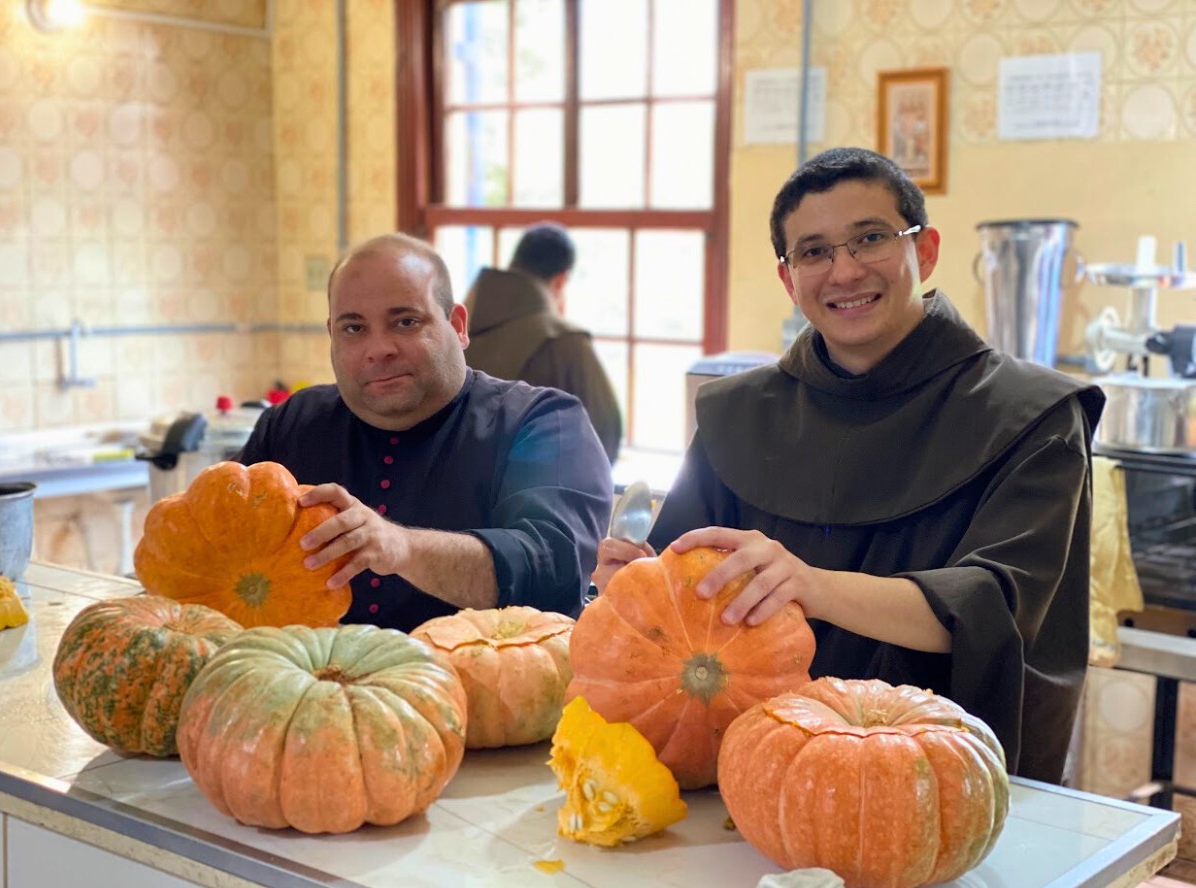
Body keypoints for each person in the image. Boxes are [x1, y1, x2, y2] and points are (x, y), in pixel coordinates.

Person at [592, 147, 1104, 785]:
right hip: (747, 768)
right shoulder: (737, 413)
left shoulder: (1033, 413)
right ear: (788, 278)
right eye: (813, 251)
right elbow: (687, 594)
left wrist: (810, 584)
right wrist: (637, 591)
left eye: (870, 239)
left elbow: (992, 609)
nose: (844, 271)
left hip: (933, 774)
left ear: (927, 250)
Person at [237, 232, 613, 633]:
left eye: (405, 322)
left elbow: (552, 573)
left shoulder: (543, 422)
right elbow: (218, 546)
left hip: (484, 690)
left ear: (458, 325)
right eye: (353, 329)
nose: (379, 348)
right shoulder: (291, 423)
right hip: (306, 685)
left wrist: (402, 547)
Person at [463, 223, 623, 463]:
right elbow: (602, 440)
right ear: (560, 281)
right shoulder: (564, 343)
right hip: (534, 496)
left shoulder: (453, 326)